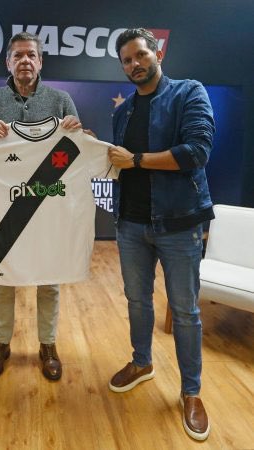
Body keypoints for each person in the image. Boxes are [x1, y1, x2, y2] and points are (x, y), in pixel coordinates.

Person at [108, 28, 215, 441]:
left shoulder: (189, 92)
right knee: (137, 301)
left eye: (140, 55)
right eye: (127, 60)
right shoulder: (122, 113)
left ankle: (191, 392)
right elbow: (116, 163)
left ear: (158, 53)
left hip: (179, 223)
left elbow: (196, 152)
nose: (134, 64)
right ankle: (142, 362)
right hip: (130, 224)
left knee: (185, 312)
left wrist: (135, 159)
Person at [0, 32, 82, 381]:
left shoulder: (61, 100)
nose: (25, 61)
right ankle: (1, 344)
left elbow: (78, 150)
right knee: (3, 278)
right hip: (6, 207)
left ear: (40, 61)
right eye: (18, 55)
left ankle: (48, 345)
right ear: (8, 62)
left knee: (49, 279)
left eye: (31, 55)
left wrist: (76, 130)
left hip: (48, 205)